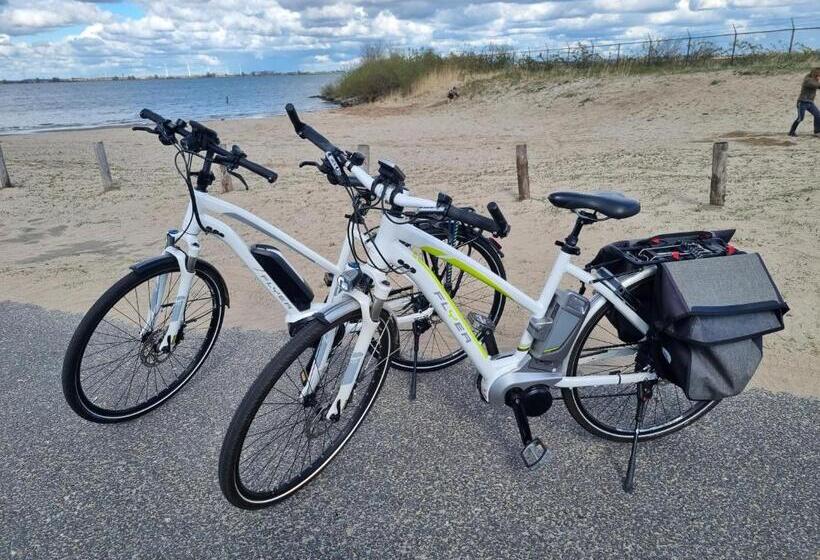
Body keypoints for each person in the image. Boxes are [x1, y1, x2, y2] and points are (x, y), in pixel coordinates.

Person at [788, 68, 820, 137]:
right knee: (800, 118)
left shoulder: (814, 80)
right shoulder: (807, 80)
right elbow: (816, 85)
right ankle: (791, 132)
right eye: (818, 75)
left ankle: (817, 131)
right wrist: (817, 80)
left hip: (810, 103)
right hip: (802, 102)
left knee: (818, 115)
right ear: (815, 74)